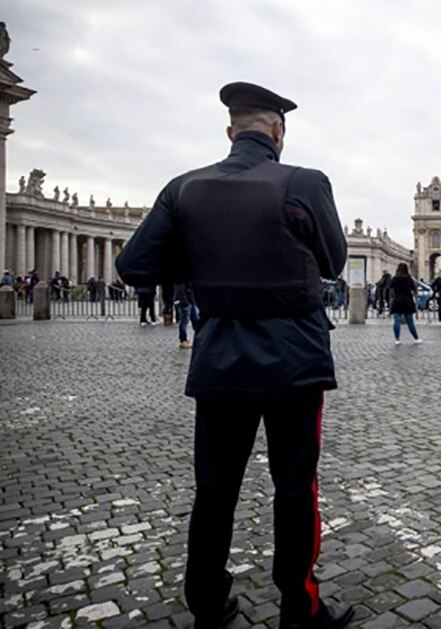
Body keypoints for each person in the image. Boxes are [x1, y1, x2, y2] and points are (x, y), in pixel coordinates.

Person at [115, 82, 351, 628]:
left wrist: (203, 265)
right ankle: (300, 606)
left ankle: (207, 604)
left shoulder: (184, 189)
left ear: (230, 132)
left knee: (215, 490)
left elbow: (134, 267)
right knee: (296, 487)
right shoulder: (304, 183)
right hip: (295, 362)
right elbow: (334, 259)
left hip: (220, 360)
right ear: (279, 131)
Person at [390, 263, 421, 344]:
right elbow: (414, 288)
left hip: (397, 300)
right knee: (410, 321)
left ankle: (397, 339)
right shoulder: (409, 278)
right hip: (407, 300)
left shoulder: (395, 278)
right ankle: (416, 338)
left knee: (397, 321)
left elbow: (391, 288)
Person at [174, 283, 200, 349]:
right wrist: (185, 302)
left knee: (196, 320)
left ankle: (199, 338)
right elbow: (180, 290)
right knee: (184, 321)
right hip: (185, 301)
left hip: (191, 300)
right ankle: (183, 340)